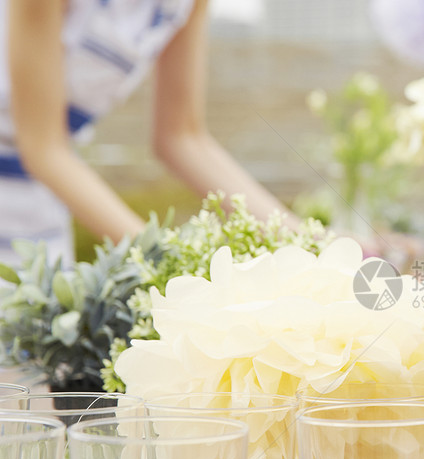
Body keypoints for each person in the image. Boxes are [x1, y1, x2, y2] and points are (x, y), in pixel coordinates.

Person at [0, 0, 300, 267]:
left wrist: (305, 242)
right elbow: (43, 150)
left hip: (43, 205)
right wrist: (168, 263)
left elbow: (184, 139)